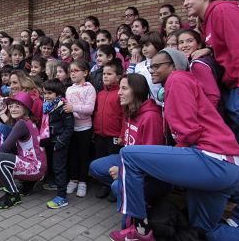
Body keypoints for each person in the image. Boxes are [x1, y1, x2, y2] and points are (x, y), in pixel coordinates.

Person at [113, 48, 239, 241]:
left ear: (174, 66)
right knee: (205, 230)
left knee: (128, 155)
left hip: (213, 159)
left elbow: (188, 132)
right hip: (230, 167)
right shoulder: (182, 82)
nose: (152, 70)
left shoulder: (177, 79)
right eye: (151, 66)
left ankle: (139, 230)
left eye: (158, 66)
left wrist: (165, 161)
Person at [182, 0, 239, 229]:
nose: (185, 3)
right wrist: (209, 50)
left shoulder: (223, 10)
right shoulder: (209, 20)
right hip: (234, 91)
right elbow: (224, 47)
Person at [90, 73, 168, 236]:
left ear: (137, 91)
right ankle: (131, 194)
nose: (119, 92)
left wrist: (122, 173)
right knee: (95, 167)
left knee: (116, 185)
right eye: (120, 88)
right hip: (130, 164)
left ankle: (137, 226)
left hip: (150, 174)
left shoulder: (151, 117)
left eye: (124, 88)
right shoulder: (130, 110)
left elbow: (151, 162)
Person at [0, 92, 47, 209]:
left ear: (26, 108)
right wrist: (2, 113)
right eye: (11, 106)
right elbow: (11, 127)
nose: (13, 109)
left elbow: (5, 147)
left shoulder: (22, 124)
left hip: (34, 167)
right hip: (37, 166)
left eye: (17, 106)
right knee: (4, 155)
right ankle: (27, 184)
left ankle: (13, 195)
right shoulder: (25, 122)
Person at [40, 79, 74, 208]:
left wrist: (60, 142)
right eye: (45, 93)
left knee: (59, 168)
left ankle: (62, 197)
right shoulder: (47, 106)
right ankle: (55, 184)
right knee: (54, 167)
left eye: (49, 93)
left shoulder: (63, 107)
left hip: (59, 143)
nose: (47, 96)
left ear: (58, 94)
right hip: (50, 141)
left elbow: (69, 128)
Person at [65, 59, 96, 197]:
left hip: (85, 128)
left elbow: (90, 109)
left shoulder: (89, 88)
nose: (72, 74)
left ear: (85, 72)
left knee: (83, 156)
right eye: (71, 71)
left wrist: (74, 108)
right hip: (72, 128)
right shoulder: (69, 89)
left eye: (76, 71)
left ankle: (83, 182)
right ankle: (73, 180)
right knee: (72, 155)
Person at [92, 60, 123, 199]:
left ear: (118, 77)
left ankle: (114, 187)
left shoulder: (120, 94)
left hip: (114, 136)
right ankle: (104, 185)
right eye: (104, 73)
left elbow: (124, 116)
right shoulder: (100, 94)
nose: (105, 76)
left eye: (109, 74)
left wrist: (122, 134)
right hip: (100, 134)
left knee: (112, 163)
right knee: (100, 159)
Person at [176, 29, 221, 108]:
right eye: (181, 42)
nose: (185, 45)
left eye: (189, 41)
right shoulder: (192, 62)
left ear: (199, 45)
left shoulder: (197, 65)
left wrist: (204, 117)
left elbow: (213, 96)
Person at [127, 32, 165, 104]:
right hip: (147, 105)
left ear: (157, 45)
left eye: (147, 45)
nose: (144, 49)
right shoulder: (138, 66)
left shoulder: (165, 64)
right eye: (142, 46)